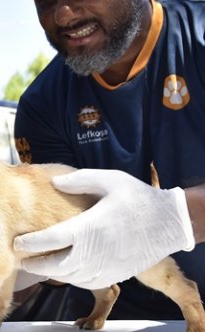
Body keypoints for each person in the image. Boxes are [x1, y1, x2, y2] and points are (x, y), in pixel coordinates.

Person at [13, 0, 205, 321]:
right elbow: (63, 240)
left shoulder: (198, 38)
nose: (62, 14)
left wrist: (177, 216)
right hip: (118, 319)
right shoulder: (42, 105)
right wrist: (32, 256)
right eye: (45, 1)